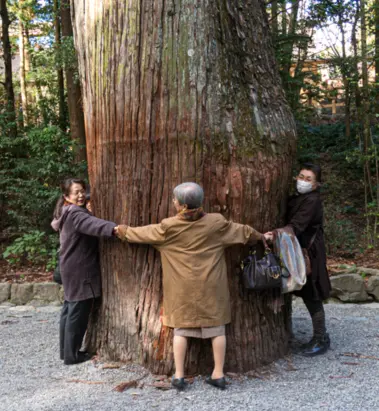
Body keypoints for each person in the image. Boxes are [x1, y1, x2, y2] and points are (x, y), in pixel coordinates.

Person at [115, 182, 263, 390]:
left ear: (180, 204)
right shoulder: (216, 223)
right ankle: (218, 374)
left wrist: (121, 231)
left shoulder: (169, 227)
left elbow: (141, 233)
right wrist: (262, 236)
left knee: (181, 330)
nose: (173, 202)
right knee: (217, 329)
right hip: (212, 287)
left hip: (181, 289)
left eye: (174, 199)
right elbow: (244, 232)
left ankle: (179, 375)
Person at [265, 163, 331, 356]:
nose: (303, 181)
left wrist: (274, 235)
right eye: (301, 176)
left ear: (317, 184)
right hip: (296, 249)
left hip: (310, 253)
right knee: (301, 289)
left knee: (312, 293)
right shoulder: (298, 197)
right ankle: (319, 337)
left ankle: (321, 338)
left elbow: (298, 225)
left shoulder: (312, 200)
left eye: (308, 179)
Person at [52, 178, 117, 365]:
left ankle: (67, 352)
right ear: (67, 196)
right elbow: (94, 225)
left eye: (82, 191)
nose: (80, 195)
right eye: (75, 193)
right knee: (77, 312)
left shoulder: (65, 211)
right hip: (80, 268)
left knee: (69, 309)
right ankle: (72, 356)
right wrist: (116, 229)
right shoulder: (76, 214)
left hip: (70, 266)